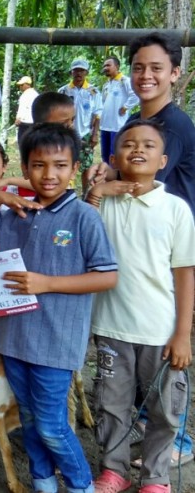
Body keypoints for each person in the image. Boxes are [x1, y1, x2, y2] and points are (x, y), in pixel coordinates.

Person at [0, 123, 118, 493]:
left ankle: (80, 485)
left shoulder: (83, 218)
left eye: (60, 165)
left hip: (56, 344)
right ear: (25, 169)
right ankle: (43, 482)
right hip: (13, 339)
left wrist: (47, 283)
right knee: (29, 419)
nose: (49, 174)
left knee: (52, 425)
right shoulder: (15, 213)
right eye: (39, 166)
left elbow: (106, 276)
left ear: (75, 169)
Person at [89, 31, 195, 467]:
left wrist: (111, 185)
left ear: (175, 73)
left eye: (156, 68)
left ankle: (176, 444)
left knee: (167, 358)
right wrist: (100, 183)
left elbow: (136, 187)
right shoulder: (136, 119)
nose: (145, 75)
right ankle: (130, 437)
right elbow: (107, 189)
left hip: (166, 253)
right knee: (130, 367)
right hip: (128, 262)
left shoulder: (177, 127)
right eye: (138, 67)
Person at [58, 58, 103, 192]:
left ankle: (85, 193)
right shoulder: (63, 91)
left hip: (86, 134)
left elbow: (97, 114)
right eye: (76, 70)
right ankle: (66, 192)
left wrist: (95, 134)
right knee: (66, 162)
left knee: (86, 165)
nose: (78, 73)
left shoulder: (93, 91)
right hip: (67, 133)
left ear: (86, 72)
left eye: (81, 70)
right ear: (71, 72)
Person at [98, 56, 138, 164]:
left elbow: (135, 95)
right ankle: (106, 178)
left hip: (117, 126)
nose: (105, 68)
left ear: (117, 66)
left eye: (108, 65)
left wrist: (125, 107)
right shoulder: (106, 85)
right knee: (105, 155)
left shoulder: (125, 81)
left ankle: (116, 178)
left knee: (114, 154)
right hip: (105, 125)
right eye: (104, 66)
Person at [15, 76, 39, 146]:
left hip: (25, 124)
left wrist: (18, 118)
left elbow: (23, 108)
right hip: (34, 123)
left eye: (22, 85)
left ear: (26, 84)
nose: (20, 87)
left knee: (23, 145)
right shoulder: (36, 94)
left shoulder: (26, 95)